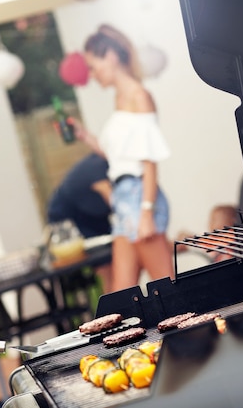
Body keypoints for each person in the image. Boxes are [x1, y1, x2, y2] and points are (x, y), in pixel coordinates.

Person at [73, 24, 174, 292]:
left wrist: (146, 213)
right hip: (123, 200)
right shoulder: (120, 99)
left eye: (93, 67)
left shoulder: (140, 96)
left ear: (111, 57)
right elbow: (119, 158)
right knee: (122, 296)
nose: (92, 75)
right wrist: (86, 136)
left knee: (167, 288)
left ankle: (195, 334)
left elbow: (149, 161)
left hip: (140, 197)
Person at [47, 153, 113, 293]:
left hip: (94, 217)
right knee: (108, 269)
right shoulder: (96, 167)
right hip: (69, 224)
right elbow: (118, 205)